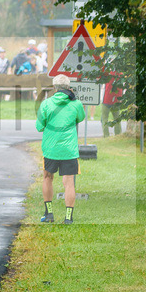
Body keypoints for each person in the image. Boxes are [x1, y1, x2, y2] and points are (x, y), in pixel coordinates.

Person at [36, 74, 86, 224]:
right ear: (69, 87)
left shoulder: (46, 104)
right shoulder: (75, 104)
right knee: (69, 182)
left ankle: (49, 214)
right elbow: (81, 118)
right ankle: (68, 217)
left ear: (54, 88)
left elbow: (39, 127)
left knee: (47, 177)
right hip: (69, 149)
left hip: (51, 149)